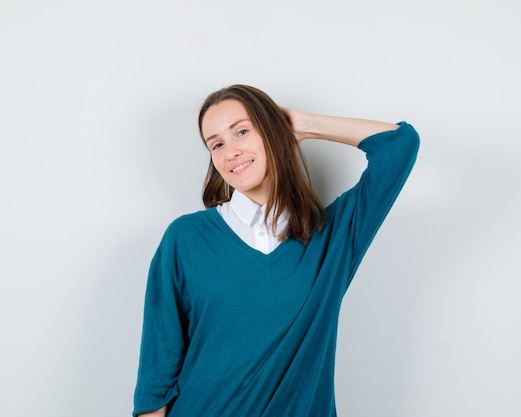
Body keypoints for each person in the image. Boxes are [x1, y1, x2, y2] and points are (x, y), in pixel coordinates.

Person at [133, 84, 419, 417]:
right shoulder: (185, 239)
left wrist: (301, 124)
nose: (230, 152)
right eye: (217, 144)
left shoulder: (333, 237)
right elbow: (157, 376)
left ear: (272, 131)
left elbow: (400, 145)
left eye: (242, 131)